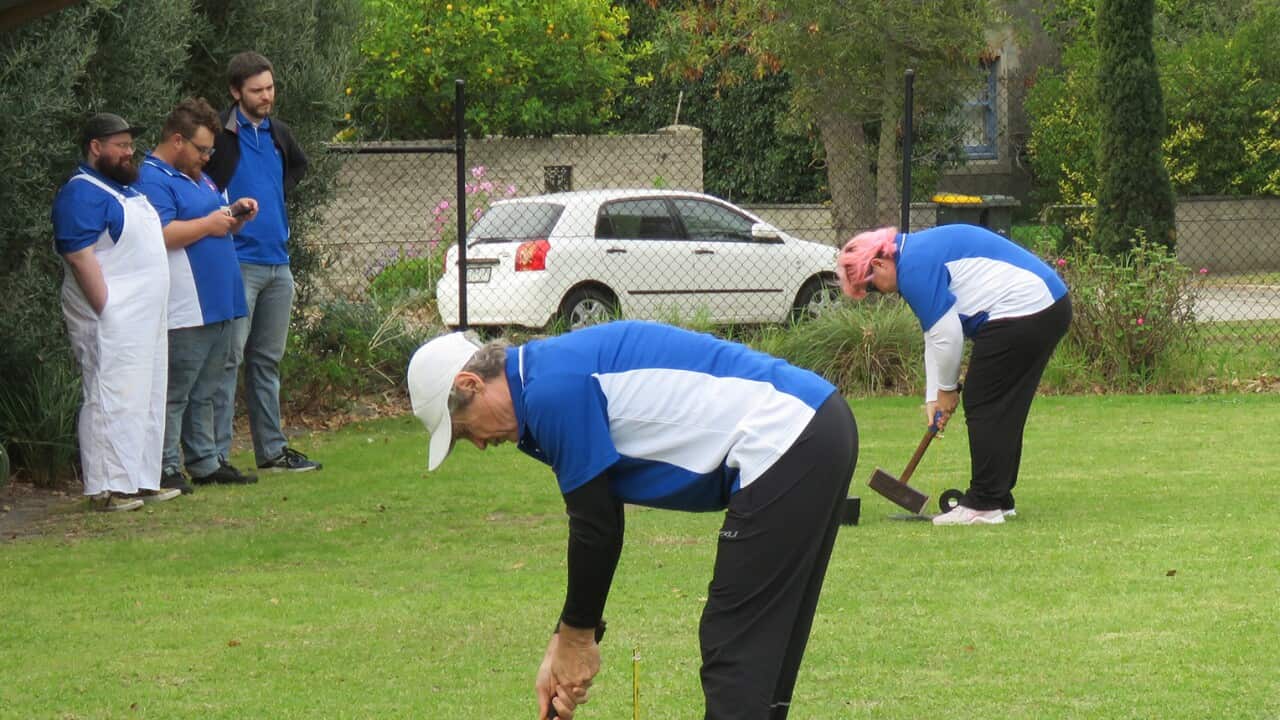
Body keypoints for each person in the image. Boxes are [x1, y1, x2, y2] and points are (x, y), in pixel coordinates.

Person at [407, 320, 858, 720]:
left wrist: (577, 639)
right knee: (762, 645)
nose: (480, 445)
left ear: (471, 382)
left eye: (464, 430)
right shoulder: (545, 377)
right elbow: (601, 517)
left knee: (736, 642)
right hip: (813, 428)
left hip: (789, 436)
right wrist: (565, 640)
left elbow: (597, 525)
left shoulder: (550, 390)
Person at [835, 224, 1071, 526]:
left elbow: (948, 336)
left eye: (870, 287)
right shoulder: (914, 256)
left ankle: (983, 504)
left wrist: (948, 389)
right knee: (1002, 406)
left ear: (879, 263)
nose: (878, 294)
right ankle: (998, 498)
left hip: (1025, 309)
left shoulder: (913, 267)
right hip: (1048, 306)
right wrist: (934, 396)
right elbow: (933, 335)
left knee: (983, 400)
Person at [51, 113, 183, 512]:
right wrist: (107, 309)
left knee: (145, 395)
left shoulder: (126, 190)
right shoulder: (81, 193)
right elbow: (78, 254)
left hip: (144, 319)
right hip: (113, 317)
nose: (129, 152)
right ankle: (107, 487)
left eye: (130, 145)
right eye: (120, 145)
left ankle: (142, 479)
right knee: (110, 395)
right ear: (96, 147)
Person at [136, 98, 261, 492]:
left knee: (207, 389)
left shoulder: (197, 176)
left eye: (210, 150)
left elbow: (212, 223)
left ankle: (205, 461)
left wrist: (234, 216)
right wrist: (209, 224)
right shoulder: (152, 177)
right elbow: (159, 234)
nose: (207, 157)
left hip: (220, 300)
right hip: (186, 305)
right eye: (202, 149)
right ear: (177, 140)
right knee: (177, 390)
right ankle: (165, 465)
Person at [205, 51, 320, 473]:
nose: (266, 96)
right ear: (236, 93)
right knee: (227, 360)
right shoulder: (219, 136)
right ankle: (214, 457)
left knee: (266, 362)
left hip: (279, 263)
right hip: (237, 261)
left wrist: (273, 198)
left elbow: (298, 168)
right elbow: (202, 185)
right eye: (257, 90)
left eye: (270, 88)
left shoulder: (278, 134)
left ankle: (271, 452)